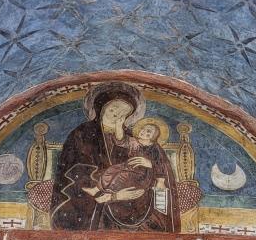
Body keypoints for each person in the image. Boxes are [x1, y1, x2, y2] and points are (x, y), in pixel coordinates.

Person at [51, 83, 179, 232]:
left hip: (137, 198)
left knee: (155, 226)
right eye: (113, 109)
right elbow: (76, 174)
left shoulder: (134, 137)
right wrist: (115, 196)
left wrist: (150, 165)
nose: (116, 114)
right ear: (101, 108)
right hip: (97, 202)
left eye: (123, 113)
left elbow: (159, 165)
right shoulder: (83, 134)